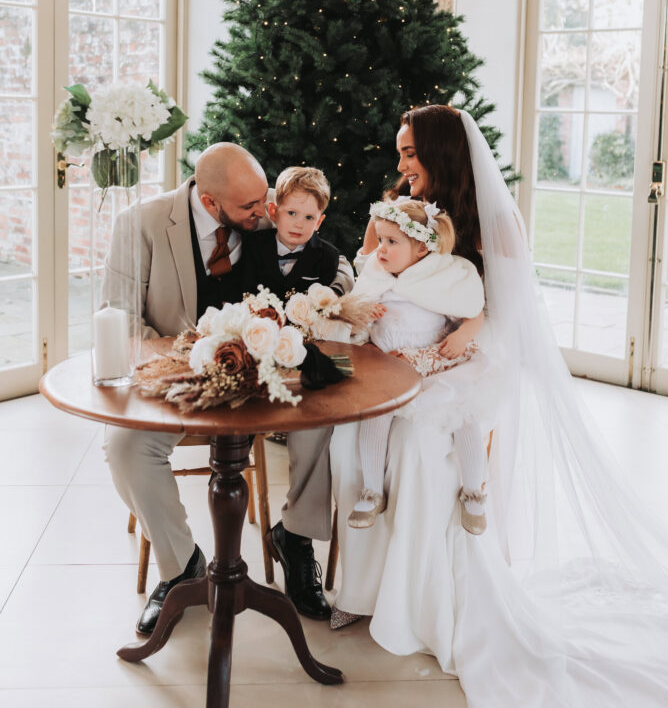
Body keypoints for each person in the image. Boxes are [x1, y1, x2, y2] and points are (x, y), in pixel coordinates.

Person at [330, 104, 668, 708]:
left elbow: (514, 315)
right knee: (352, 436)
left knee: (418, 444)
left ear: (440, 155)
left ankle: (423, 607)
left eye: (410, 153)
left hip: (470, 362)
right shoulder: (401, 212)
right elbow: (376, 274)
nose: (400, 164)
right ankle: (362, 591)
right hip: (404, 357)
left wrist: (473, 328)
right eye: (400, 153)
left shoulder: (491, 221)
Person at [102, 142, 353, 635]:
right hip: (182, 375)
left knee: (325, 407)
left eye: (267, 202)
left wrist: (331, 293)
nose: (266, 213)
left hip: (263, 369)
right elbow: (125, 321)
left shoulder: (262, 214)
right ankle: (181, 569)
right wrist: (190, 365)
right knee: (124, 445)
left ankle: (296, 536)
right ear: (211, 202)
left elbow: (333, 260)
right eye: (252, 207)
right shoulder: (141, 224)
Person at [347, 198, 492, 535]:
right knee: (375, 414)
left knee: (463, 412)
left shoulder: (441, 277)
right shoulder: (378, 274)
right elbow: (356, 316)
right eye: (380, 239)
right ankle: (372, 491)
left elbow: (473, 311)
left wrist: (463, 335)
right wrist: (364, 316)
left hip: (433, 361)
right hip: (387, 363)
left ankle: (473, 490)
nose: (379, 250)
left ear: (422, 250)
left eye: (391, 242)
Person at [241, 165, 342, 302]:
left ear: (319, 222)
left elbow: (324, 307)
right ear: (273, 212)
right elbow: (244, 291)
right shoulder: (254, 245)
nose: (299, 224)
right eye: (292, 213)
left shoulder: (328, 256)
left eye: (309, 217)